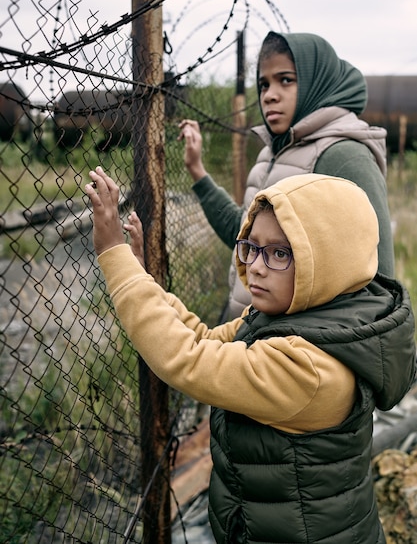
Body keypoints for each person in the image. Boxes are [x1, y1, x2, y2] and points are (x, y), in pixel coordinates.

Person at [85, 166, 415, 544]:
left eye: (279, 253)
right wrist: (141, 277)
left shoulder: (308, 366)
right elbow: (204, 339)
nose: (255, 266)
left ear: (328, 261)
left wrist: (113, 256)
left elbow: (188, 359)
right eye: (252, 246)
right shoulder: (308, 315)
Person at [178, 31, 395, 319]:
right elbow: (244, 233)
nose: (269, 95)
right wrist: (197, 170)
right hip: (247, 331)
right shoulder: (271, 152)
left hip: (287, 349)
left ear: (316, 82)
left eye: (285, 80)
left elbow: (377, 282)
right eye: (263, 84)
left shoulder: (343, 156)